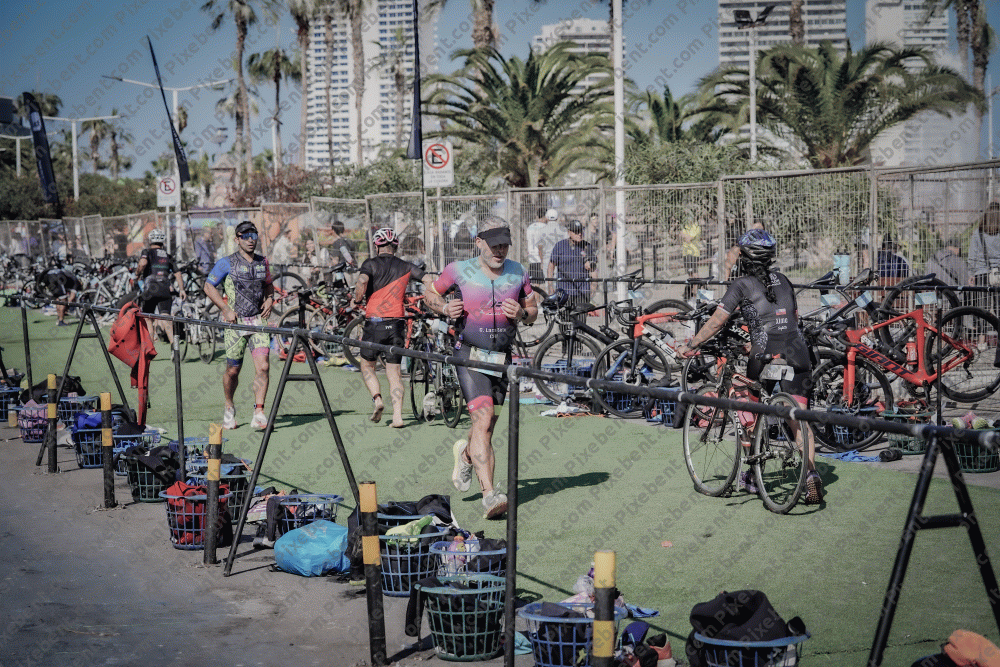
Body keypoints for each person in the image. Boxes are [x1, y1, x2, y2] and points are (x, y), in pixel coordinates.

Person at [676, 229, 823, 504]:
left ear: (744, 257)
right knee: (799, 420)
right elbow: (792, 318)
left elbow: (717, 321)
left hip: (764, 353)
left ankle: (754, 475)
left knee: (751, 408)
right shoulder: (784, 279)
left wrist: (692, 345)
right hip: (797, 353)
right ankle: (811, 475)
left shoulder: (741, 284)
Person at [422, 216, 537, 520]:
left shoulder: (518, 271)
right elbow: (429, 293)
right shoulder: (458, 270)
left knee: (486, 427)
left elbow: (533, 310)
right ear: (479, 242)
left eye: (505, 245)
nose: (500, 250)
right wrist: (444, 307)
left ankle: (465, 454)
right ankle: (490, 496)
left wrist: (522, 313)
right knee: (483, 422)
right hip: (470, 356)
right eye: (494, 244)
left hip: (502, 360)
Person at [204, 221, 275, 431]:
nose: (251, 240)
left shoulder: (263, 262)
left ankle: (259, 412)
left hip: (258, 322)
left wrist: (270, 299)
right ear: (237, 239)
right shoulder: (226, 263)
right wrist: (225, 309)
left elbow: (269, 285)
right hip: (235, 324)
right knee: (233, 370)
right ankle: (229, 407)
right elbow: (209, 286)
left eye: (254, 235)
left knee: (263, 366)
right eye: (245, 236)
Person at [353, 228, 425, 428]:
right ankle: (398, 417)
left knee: (367, 366)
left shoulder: (370, 264)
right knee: (394, 372)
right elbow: (428, 279)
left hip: (375, 323)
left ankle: (377, 399)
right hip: (397, 324)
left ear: (377, 247)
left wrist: (357, 299)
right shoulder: (406, 266)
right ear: (396, 246)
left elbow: (362, 281)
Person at [135, 229, 187, 351]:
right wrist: (182, 290)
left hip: (150, 289)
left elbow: (142, 263)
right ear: (162, 241)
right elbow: (178, 273)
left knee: (148, 317)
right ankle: (174, 347)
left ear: (150, 240)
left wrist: (137, 273)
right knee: (166, 317)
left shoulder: (147, 252)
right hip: (165, 289)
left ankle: (150, 348)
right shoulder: (168, 256)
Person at [547, 219, 598, 313]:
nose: (579, 234)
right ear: (569, 232)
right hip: (564, 291)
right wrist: (550, 285)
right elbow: (551, 266)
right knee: (565, 319)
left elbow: (594, 269)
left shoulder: (587, 247)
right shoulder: (560, 246)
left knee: (581, 319)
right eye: (576, 232)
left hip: (582, 291)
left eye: (581, 231)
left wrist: (593, 287)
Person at [969, 202, 1000, 312]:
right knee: (999, 307)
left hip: (981, 274)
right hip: (998, 273)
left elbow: (972, 256)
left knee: (982, 307)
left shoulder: (978, 233)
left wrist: (971, 273)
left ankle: (981, 323)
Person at [42, 256, 81, 327]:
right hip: (57, 281)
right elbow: (71, 299)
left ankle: (59, 318)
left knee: (58, 300)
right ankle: (61, 320)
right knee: (63, 302)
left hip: (49, 279)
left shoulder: (71, 278)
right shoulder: (76, 283)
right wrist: (67, 307)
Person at [525, 207, 549, 282]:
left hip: (531, 258)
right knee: (542, 283)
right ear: (545, 217)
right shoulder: (545, 227)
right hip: (541, 259)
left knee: (533, 283)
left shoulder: (530, 227)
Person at [681, 219, 702, 300]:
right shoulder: (685, 226)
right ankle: (692, 293)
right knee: (690, 274)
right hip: (686, 252)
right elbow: (681, 235)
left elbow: (688, 238)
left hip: (693, 253)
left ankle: (698, 291)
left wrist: (685, 235)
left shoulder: (696, 227)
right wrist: (684, 235)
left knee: (695, 273)